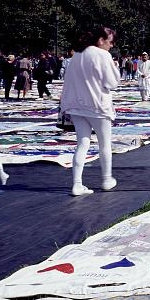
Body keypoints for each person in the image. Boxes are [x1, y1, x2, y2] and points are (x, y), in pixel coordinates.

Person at [60, 25, 121, 196]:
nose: (112, 45)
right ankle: (107, 179)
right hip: (98, 106)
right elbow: (112, 83)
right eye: (110, 42)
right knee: (104, 144)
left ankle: (77, 184)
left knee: (82, 144)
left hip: (76, 106)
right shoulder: (102, 55)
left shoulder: (77, 55)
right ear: (101, 40)